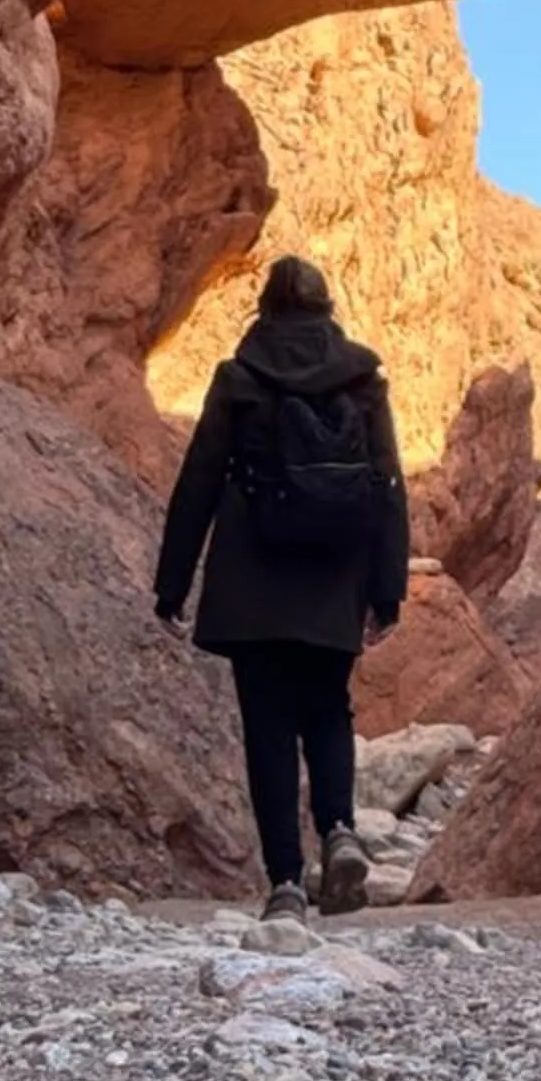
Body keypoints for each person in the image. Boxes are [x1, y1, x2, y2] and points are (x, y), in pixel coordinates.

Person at [155, 256, 409, 920]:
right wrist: (388, 590)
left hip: (252, 577)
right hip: (336, 572)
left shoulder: (239, 378)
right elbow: (386, 484)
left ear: (264, 309)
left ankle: (287, 885)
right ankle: (339, 830)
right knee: (328, 708)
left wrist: (172, 583)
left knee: (267, 726)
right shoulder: (362, 380)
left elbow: (200, 480)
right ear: (327, 308)